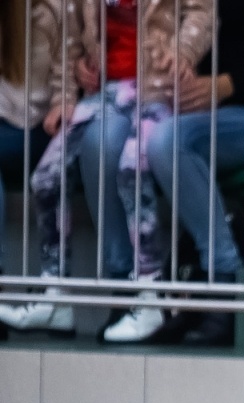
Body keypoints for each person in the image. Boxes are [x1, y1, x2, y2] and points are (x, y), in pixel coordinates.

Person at [0, 0, 214, 341]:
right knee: (46, 177)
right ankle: (56, 296)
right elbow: (71, 37)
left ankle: (150, 298)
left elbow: (203, 11)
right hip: (105, 93)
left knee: (132, 168)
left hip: (157, 89)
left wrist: (183, 51)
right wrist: (67, 95)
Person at [143, 0, 244, 346]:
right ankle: (161, 296)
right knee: (132, 139)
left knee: (168, 142)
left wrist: (224, 85)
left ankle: (222, 277)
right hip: (192, 114)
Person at [0, 0, 76, 318]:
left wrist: (64, 100)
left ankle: (56, 288)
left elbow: (66, 69)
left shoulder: (55, 7)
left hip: (41, 125)